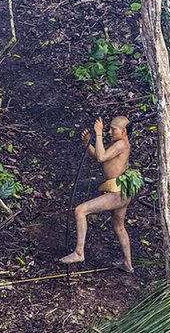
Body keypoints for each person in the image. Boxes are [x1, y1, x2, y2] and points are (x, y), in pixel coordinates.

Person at [60, 115, 133, 273]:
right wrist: (88, 144)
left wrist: (98, 133)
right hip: (121, 192)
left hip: (117, 192)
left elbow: (101, 157)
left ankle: (79, 252)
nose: (109, 131)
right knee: (119, 227)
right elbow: (100, 155)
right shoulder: (117, 144)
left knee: (80, 210)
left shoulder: (121, 144)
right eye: (109, 128)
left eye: (113, 129)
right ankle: (128, 263)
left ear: (124, 131)